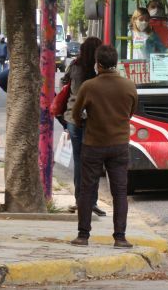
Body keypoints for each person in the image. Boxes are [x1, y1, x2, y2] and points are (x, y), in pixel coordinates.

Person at [71, 45, 138, 248]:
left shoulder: (89, 86)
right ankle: (120, 237)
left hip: (93, 144)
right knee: (120, 192)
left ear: (98, 64)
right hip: (119, 145)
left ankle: (83, 235)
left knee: (87, 189)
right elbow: (131, 112)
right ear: (115, 63)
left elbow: (76, 113)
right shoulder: (129, 86)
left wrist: (83, 122)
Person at [61, 36, 106, 217]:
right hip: (95, 120)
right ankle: (92, 201)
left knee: (79, 161)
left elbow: (63, 83)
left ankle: (80, 200)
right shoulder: (100, 69)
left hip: (73, 118)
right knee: (94, 162)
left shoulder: (74, 66)